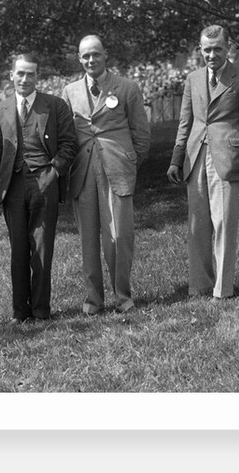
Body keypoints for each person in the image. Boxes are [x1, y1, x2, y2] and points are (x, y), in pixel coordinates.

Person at [167, 25, 239, 302]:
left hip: (227, 156)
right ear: (200, 50)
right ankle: (199, 285)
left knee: (224, 223)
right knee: (197, 223)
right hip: (194, 156)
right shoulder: (193, 79)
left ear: (228, 47)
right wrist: (176, 159)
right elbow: (186, 122)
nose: (212, 55)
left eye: (218, 49)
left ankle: (223, 289)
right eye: (207, 50)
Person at [0, 53, 78, 323]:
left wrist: (54, 171)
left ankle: (41, 310)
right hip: (12, 186)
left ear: (38, 77)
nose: (24, 79)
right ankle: (20, 311)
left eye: (30, 74)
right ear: (11, 75)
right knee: (18, 250)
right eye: (20, 73)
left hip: (44, 183)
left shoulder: (54, 106)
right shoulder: (2, 108)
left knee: (42, 248)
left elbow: (70, 144)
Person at [61, 35, 151, 315]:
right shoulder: (70, 91)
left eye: (96, 55)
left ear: (105, 55)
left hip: (117, 170)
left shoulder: (126, 88)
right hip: (83, 170)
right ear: (79, 59)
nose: (91, 60)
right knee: (88, 238)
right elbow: (67, 136)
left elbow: (142, 135)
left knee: (119, 236)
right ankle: (93, 299)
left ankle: (122, 295)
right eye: (85, 56)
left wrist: (129, 160)